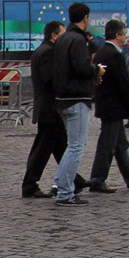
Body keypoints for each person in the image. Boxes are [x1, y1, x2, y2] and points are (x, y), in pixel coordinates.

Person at [21, 21, 87, 198]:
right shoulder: (47, 52)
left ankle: (75, 180)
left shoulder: (45, 51)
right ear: (54, 35)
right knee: (43, 148)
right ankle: (30, 184)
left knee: (60, 146)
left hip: (51, 108)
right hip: (49, 108)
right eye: (62, 34)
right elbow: (51, 79)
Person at [87, 19, 129, 193]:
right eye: (124, 34)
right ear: (117, 35)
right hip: (113, 106)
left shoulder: (101, 52)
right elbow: (123, 83)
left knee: (120, 144)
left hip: (106, 103)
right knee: (107, 144)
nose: (125, 37)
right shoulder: (114, 54)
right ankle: (98, 179)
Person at [52, 2, 103, 205]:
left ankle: (60, 183)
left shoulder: (62, 38)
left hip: (62, 98)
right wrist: (97, 70)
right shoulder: (78, 40)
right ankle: (64, 191)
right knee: (77, 145)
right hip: (76, 98)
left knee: (72, 145)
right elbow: (82, 68)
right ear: (86, 18)